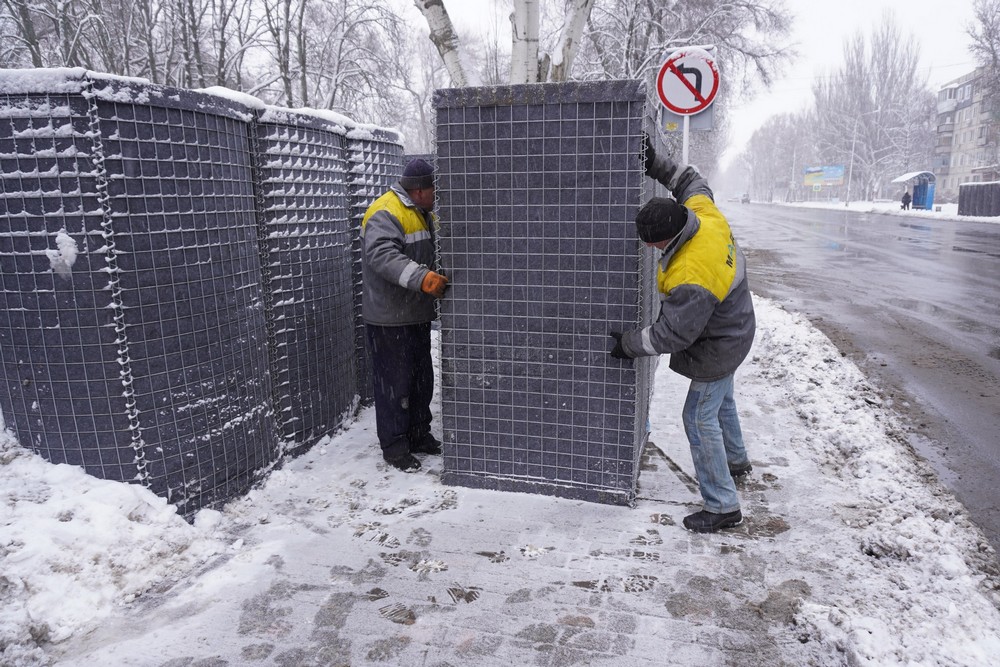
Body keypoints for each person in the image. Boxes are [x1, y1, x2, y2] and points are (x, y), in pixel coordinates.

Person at [609, 140, 756, 533]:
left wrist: (626, 345)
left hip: (720, 341)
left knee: (697, 415)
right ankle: (737, 461)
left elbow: (670, 334)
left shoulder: (691, 274)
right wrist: (655, 163)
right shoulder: (700, 213)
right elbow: (690, 180)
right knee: (720, 400)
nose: (648, 249)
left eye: (650, 244)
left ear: (665, 240)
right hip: (736, 325)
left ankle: (723, 505)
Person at [361, 158, 448, 472]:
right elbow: (382, 255)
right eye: (435, 189)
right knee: (394, 385)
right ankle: (395, 447)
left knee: (421, 381)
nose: (438, 195)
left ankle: (418, 434)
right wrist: (423, 279)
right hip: (388, 318)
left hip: (414, 314)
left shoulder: (423, 212)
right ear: (421, 189)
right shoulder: (386, 211)